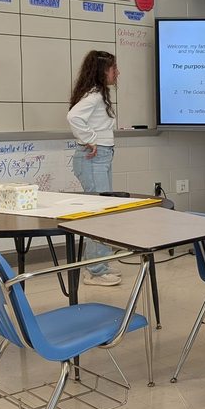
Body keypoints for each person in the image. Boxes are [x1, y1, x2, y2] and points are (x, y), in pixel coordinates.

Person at [67, 50, 122, 286]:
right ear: (102, 71)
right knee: (99, 213)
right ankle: (95, 271)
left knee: (104, 211)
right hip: (93, 159)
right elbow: (73, 117)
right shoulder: (95, 95)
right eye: (113, 68)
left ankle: (99, 264)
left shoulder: (99, 94)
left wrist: (94, 139)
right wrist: (90, 139)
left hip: (100, 158)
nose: (117, 72)